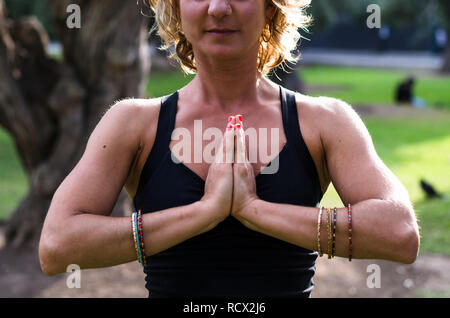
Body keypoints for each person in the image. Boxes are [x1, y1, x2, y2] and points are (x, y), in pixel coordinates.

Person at [38, 0, 420, 298]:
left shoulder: (325, 122)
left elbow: (400, 232)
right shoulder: (133, 125)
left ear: (270, 7)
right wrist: (205, 212)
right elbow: (57, 246)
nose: (218, 8)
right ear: (176, 8)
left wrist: (254, 210)